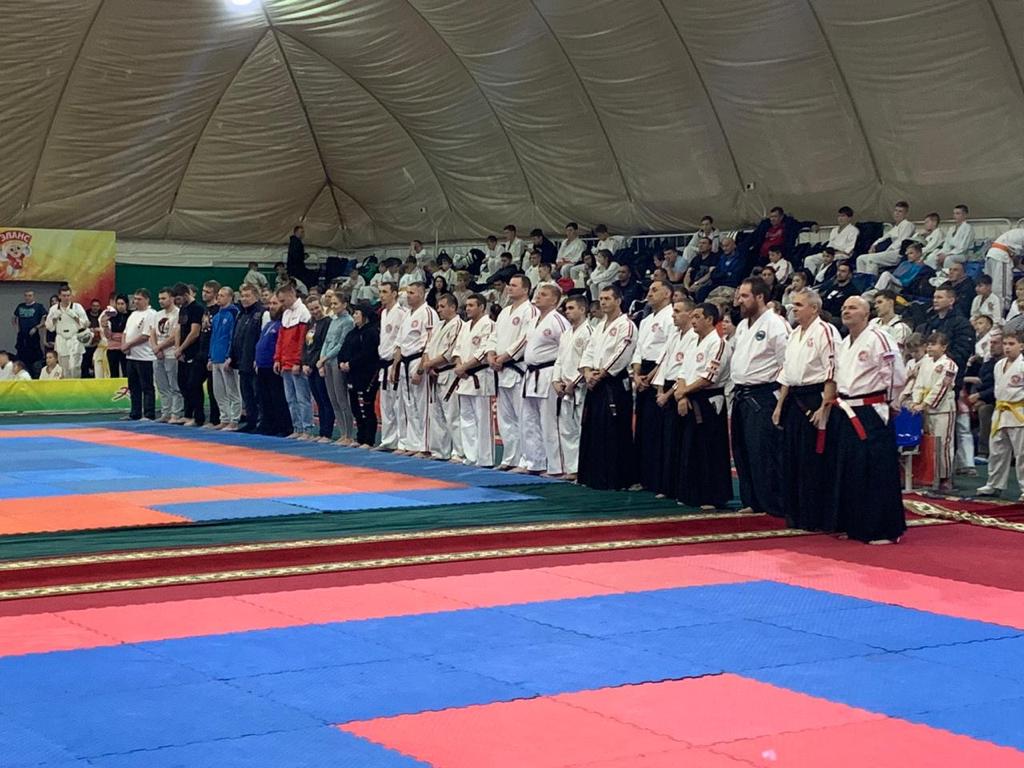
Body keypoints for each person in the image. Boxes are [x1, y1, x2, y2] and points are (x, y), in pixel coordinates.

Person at [834, 296, 908, 543]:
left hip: (872, 409)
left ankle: (884, 529)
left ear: (866, 314)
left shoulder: (879, 337)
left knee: (877, 469)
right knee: (852, 469)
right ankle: (856, 525)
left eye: (853, 307)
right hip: (847, 408)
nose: (846, 311)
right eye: (844, 308)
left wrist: (891, 404)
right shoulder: (844, 343)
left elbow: (895, 374)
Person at [772, 289, 840, 531]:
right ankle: (795, 514)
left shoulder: (825, 331)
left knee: (812, 460)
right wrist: (779, 405)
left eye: (799, 305)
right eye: (793, 305)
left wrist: (825, 407)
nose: (794, 309)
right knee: (792, 459)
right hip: (794, 399)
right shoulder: (794, 334)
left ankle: (815, 516)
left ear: (814, 308)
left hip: (815, 398)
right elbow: (786, 372)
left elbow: (832, 371)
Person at [730, 277, 789, 516]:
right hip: (741, 394)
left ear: (760, 297)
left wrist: (780, 402)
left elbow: (787, 364)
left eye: (745, 296)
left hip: (764, 395)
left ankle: (772, 504)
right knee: (743, 450)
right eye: (739, 296)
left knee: (763, 452)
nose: (739, 301)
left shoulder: (776, 324)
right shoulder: (743, 326)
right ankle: (752, 501)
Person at [578, 285, 638, 490]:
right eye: (601, 299)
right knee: (593, 429)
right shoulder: (599, 326)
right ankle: (594, 476)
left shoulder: (626, 325)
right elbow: (588, 351)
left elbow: (622, 353)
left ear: (618, 301)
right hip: (595, 381)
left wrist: (602, 373)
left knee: (614, 430)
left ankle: (616, 479)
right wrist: (587, 372)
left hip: (613, 382)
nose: (603, 302)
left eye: (607, 299)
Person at [675, 302, 733, 509]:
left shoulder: (718, 344)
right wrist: (682, 395)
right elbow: (682, 372)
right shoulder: (694, 343)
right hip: (690, 397)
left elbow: (708, 377)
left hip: (709, 401)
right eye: (692, 316)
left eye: (697, 317)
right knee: (691, 448)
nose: (693, 321)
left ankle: (712, 496)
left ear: (709, 319)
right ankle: (692, 493)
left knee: (710, 449)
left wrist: (684, 392)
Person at [519, 284, 570, 476]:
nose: (538, 296)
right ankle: (535, 462)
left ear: (554, 300)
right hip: (531, 374)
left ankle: (556, 467)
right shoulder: (533, 321)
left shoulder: (558, 320)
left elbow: (566, 348)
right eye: (538, 293)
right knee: (529, 421)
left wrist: (561, 376)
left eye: (544, 294)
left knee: (549, 422)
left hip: (549, 373)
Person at [490, 274, 538, 470]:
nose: (509, 288)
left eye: (514, 285)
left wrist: (505, 356)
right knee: (506, 419)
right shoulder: (504, 312)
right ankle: (510, 458)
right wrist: (491, 354)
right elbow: (493, 336)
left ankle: (527, 460)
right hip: (501, 370)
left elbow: (526, 338)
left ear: (525, 289)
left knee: (524, 418)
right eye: (509, 285)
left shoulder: (530, 310)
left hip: (518, 368)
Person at [650, 298, 697, 499]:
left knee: (679, 441)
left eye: (677, 311)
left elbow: (686, 370)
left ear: (690, 313)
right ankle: (667, 485)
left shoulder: (694, 337)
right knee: (666, 441)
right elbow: (665, 364)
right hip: (667, 389)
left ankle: (680, 486)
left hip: (680, 390)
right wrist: (660, 390)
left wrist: (670, 394)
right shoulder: (675, 335)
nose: (673, 315)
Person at [630, 279, 674, 491]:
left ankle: (658, 478)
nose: (649, 293)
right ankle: (642, 476)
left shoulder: (671, 317)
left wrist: (652, 375)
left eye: (655, 290)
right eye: (649, 290)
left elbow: (669, 350)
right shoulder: (646, 320)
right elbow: (639, 349)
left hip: (660, 373)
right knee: (643, 427)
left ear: (667, 294)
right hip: (643, 371)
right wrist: (637, 373)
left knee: (657, 428)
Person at [976, 331, 1024, 499]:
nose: (1007, 347)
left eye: (1011, 344)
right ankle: (994, 484)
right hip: (1000, 411)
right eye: (1005, 344)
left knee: (1022, 453)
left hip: (1018, 412)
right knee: (997, 451)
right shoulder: (999, 365)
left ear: (1021, 346)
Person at [909, 332, 959, 490]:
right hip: (925, 409)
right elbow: (918, 383)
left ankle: (945, 476)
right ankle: (931, 475)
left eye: (934, 344)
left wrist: (925, 404)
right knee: (928, 444)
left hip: (943, 409)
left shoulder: (949, 365)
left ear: (944, 347)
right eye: (928, 344)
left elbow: (942, 387)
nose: (930, 347)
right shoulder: (925, 362)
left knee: (943, 444)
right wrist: (916, 401)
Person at [393, 281, 438, 456]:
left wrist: (420, 369)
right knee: (408, 405)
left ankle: (425, 446)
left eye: (411, 293)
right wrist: (395, 367)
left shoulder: (428, 313)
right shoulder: (407, 314)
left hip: (419, 360)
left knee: (422, 405)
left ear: (421, 293)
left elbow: (429, 343)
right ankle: (412, 443)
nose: (408, 296)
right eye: (407, 292)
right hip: (404, 362)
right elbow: (399, 343)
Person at [552, 295, 593, 481]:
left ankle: (582, 469)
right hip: (564, 387)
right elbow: (559, 360)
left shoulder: (589, 332)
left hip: (580, 387)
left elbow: (588, 361)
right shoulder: (566, 333)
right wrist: (556, 381)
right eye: (566, 309)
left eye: (571, 308)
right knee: (566, 429)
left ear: (582, 310)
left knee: (580, 429)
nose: (567, 312)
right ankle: (571, 469)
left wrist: (574, 382)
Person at [454, 293, 497, 467]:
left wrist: (464, 367)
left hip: (480, 376)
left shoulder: (489, 325)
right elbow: (457, 350)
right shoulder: (465, 326)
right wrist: (459, 366)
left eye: (471, 305)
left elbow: (484, 351)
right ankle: (470, 456)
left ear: (482, 307)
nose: (468, 309)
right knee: (466, 418)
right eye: (466, 305)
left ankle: (485, 459)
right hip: (464, 377)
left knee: (482, 419)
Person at [419, 293, 464, 461]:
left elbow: (450, 352)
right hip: (434, 373)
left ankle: (458, 452)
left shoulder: (458, 324)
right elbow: (427, 348)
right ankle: (440, 451)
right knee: (436, 415)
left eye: (443, 306)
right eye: (438, 306)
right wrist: (428, 364)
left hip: (449, 373)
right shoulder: (438, 325)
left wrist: (429, 364)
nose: (439, 309)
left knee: (452, 415)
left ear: (453, 307)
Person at [274, 283, 313, 439]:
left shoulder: (304, 313)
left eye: (283, 300)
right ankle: (297, 427)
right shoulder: (286, 313)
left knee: (302, 398)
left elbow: (303, 341)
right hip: (285, 362)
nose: (281, 304)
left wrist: (298, 361)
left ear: (291, 295)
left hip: (296, 362)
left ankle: (307, 428)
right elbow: (281, 339)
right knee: (291, 398)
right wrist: (277, 359)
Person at [338, 303, 380, 447]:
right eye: (354, 313)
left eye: (357, 313)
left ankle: (369, 439)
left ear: (365, 316)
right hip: (352, 375)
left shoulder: (371, 332)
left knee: (366, 407)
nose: (354, 316)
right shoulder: (352, 333)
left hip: (367, 374)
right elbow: (343, 349)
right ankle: (360, 436)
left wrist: (351, 363)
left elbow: (368, 353)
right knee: (355, 407)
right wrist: (342, 362)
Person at [318, 292, 356, 444]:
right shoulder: (333, 320)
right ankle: (342, 432)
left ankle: (349, 434)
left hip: (336, 361)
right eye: (331, 304)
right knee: (333, 398)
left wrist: (325, 357)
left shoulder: (348, 321)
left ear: (344, 305)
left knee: (341, 398)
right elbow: (327, 341)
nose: (333, 306)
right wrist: (322, 358)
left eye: (336, 303)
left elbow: (341, 344)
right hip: (327, 361)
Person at [921, 285, 974, 392]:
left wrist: (941, 362)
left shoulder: (962, 324)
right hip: (927, 375)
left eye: (939, 297)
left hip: (949, 378)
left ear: (951, 301)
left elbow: (962, 353)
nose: (935, 300)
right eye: (934, 297)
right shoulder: (931, 322)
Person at [375, 282, 407, 451]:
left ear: (394, 294)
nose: (381, 295)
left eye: (385, 292)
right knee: (386, 406)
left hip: (395, 363)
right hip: (383, 362)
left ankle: (402, 442)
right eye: (380, 292)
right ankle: (387, 440)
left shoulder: (402, 313)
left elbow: (401, 341)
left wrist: (395, 364)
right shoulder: (383, 313)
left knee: (398, 406)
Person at [255, 294, 292, 437]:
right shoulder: (269, 324)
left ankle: (283, 426)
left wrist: (279, 360)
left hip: (274, 366)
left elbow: (282, 345)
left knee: (278, 397)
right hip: (262, 365)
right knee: (264, 398)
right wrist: (257, 360)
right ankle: (267, 424)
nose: (271, 307)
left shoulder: (283, 324)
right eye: (270, 304)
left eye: (275, 304)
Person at [118, 289, 158, 420]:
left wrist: (128, 345)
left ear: (147, 300)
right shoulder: (133, 314)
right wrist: (124, 345)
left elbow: (145, 336)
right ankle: (135, 413)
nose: (136, 301)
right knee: (133, 387)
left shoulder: (151, 314)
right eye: (135, 299)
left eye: (139, 299)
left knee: (147, 386)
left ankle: (149, 414)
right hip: (131, 356)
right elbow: (125, 332)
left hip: (145, 356)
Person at [230, 284, 264, 433]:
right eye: (242, 296)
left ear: (256, 296)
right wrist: (232, 357)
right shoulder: (241, 314)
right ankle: (251, 421)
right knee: (246, 393)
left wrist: (258, 358)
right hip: (242, 360)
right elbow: (236, 337)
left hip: (254, 360)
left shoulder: (261, 313)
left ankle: (261, 422)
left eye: (248, 296)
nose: (244, 299)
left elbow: (262, 338)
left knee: (258, 394)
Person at [208, 287, 241, 430]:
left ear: (230, 297)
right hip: (216, 356)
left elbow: (233, 337)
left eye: (222, 295)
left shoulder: (234, 313)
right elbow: (213, 337)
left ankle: (235, 419)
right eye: (218, 295)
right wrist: (210, 357)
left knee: (232, 390)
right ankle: (224, 418)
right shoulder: (216, 316)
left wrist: (229, 356)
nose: (219, 298)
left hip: (226, 358)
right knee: (219, 392)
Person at [302, 294, 335, 442]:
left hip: (320, 365)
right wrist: (304, 362)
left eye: (317, 308)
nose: (315, 311)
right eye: (312, 309)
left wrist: (312, 363)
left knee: (325, 399)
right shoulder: (311, 323)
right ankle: (322, 431)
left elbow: (322, 346)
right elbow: (306, 345)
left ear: (322, 307)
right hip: (310, 365)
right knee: (318, 400)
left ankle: (327, 432)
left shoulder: (327, 322)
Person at [172, 284, 204, 426]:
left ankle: (198, 416)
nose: (177, 302)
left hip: (194, 352)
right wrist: (177, 348)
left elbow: (194, 333)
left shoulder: (197, 309)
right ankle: (187, 414)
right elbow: (179, 329)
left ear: (186, 295)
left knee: (193, 385)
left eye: (179, 299)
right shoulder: (182, 309)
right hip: (182, 353)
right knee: (183, 384)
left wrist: (182, 348)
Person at [856, 201, 916, 275]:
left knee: (871, 260)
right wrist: (874, 245)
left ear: (906, 214)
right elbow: (883, 238)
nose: (897, 213)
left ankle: (871, 281)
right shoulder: (895, 227)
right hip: (889, 253)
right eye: (896, 211)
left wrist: (886, 251)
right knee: (860, 259)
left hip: (898, 253)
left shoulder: (908, 224)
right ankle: (861, 280)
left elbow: (901, 241)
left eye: (900, 211)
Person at [151, 288, 183, 424]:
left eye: (163, 298)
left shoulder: (178, 313)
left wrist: (159, 347)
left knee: (174, 386)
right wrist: (155, 348)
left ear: (172, 298)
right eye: (159, 298)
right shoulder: (157, 315)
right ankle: (166, 413)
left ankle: (176, 414)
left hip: (171, 354)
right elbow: (152, 333)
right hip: (157, 355)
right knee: (162, 386)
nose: (161, 301)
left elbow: (175, 336)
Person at [45, 286, 89, 378]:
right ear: (59, 296)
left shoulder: (77, 307)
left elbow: (86, 323)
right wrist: (54, 318)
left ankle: (76, 386)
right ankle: (66, 385)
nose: (66, 298)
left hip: (74, 338)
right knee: (64, 368)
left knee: (75, 367)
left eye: (68, 295)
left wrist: (75, 316)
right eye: (64, 296)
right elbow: (49, 327)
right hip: (61, 339)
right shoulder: (54, 309)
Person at [805, 207, 860, 275]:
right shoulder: (834, 230)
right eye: (839, 216)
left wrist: (835, 253)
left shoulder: (853, 230)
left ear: (849, 218)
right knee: (809, 259)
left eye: (843, 216)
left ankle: (822, 277)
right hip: (830, 252)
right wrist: (827, 252)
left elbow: (849, 250)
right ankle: (811, 278)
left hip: (842, 255)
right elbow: (830, 245)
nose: (840, 218)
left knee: (829, 260)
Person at [197, 281, 221, 428]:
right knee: (193, 383)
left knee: (213, 388)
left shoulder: (218, 311)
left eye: (208, 292)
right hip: (202, 351)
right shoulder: (205, 310)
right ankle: (198, 417)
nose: (204, 294)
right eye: (203, 291)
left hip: (212, 352)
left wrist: (212, 355)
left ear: (216, 294)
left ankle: (215, 419)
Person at [983, 227, 1024, 308]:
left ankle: (990, 311)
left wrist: (1021, 267)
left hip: (992, 255)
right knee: (1002, 291)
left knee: (990, 288)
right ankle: (1002, 312)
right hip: (1001, 256)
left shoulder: (1017, 233)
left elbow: (1015, 259)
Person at [928, 204, 974, 273]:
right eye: (954, 213)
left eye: (958, 213)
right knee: (932, 257)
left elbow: (963, 247)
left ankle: (948, 276)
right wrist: (942, 253)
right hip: (949, 252)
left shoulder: (968, 228)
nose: (955, 216)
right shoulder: (951, 229)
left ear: (965, 215)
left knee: (948, 259)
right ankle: (934, 275)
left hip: (963, 254)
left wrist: (947, 254)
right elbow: (946, 244)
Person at [12, 289, 46, 377]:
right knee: (21, 360)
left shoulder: (39, 307)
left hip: (33, 338)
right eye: (26, 295)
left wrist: (36, 327)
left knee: (35, 361)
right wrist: (17, 330)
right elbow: (14, 319)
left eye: (30, 295)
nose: (28, 297)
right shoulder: (20, 306)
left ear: (34, 296)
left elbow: (44, 321)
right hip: (22, 338)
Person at [100, 295, 130, 378]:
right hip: (112, 348)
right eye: (118, 304)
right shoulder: (111, 315)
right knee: (113, 373)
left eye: (122, 304)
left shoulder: (131, 315)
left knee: (126, 372)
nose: (120, 306)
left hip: (125, 348)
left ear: (126, 304)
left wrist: (119, 337)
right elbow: (108, 335)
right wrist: (105, 326)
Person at [82, 298, 103, 378]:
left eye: (97, 306)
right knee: (85, 363)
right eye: (94, 306)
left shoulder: (102, 315)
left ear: (99, 307)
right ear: (91, 306)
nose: (95, 308)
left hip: (99, 344)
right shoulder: (85, 314)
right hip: (87, 344)